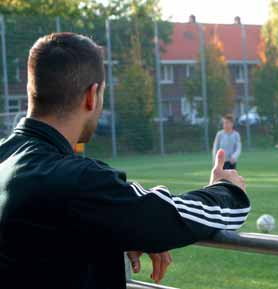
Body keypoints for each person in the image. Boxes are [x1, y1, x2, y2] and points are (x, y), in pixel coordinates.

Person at [0, 32, 250, 289]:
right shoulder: (75, 179)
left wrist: (120, 229)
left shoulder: (6, 157)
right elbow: (171, 214)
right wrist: (228, 190)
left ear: (33, 92)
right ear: (92, 95)